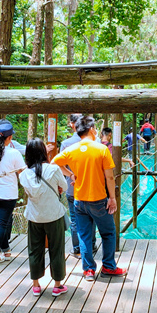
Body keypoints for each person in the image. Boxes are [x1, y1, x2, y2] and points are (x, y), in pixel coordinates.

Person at [52, 115, 127, 281]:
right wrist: (112, 198)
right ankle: (108, 266)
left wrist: (71, 174)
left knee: (84, 235)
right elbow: (109, 177)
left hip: (79, 200)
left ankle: (88, 270)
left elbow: (54, 162)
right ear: (92, 130)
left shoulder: (72, 149)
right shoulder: (101, 149)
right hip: (99, 200)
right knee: (108, 233)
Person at [19, 139, 69, 297]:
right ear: (43, 152)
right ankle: (57, 285)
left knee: (34, 250)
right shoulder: (53, 170)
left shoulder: (24, 175)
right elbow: (65, 187)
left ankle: (35, 285)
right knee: (57, 249)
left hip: (34, 216)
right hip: (54, 215)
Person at [0, 120, 26, 263]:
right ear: (10, 138)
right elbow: (22, 171)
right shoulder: (14, 153)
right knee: (1, 223)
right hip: (9, 194)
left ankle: (5, 249)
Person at [61, 113, 85, 257]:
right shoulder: (95, 142)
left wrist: (70, 175)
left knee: (75, 219)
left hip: (71, 187)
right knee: (90, 218)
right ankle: (90, 244)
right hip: (90, 189)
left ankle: (77, 247)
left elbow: (59, 165)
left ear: (72, 124)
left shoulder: (66, 143)